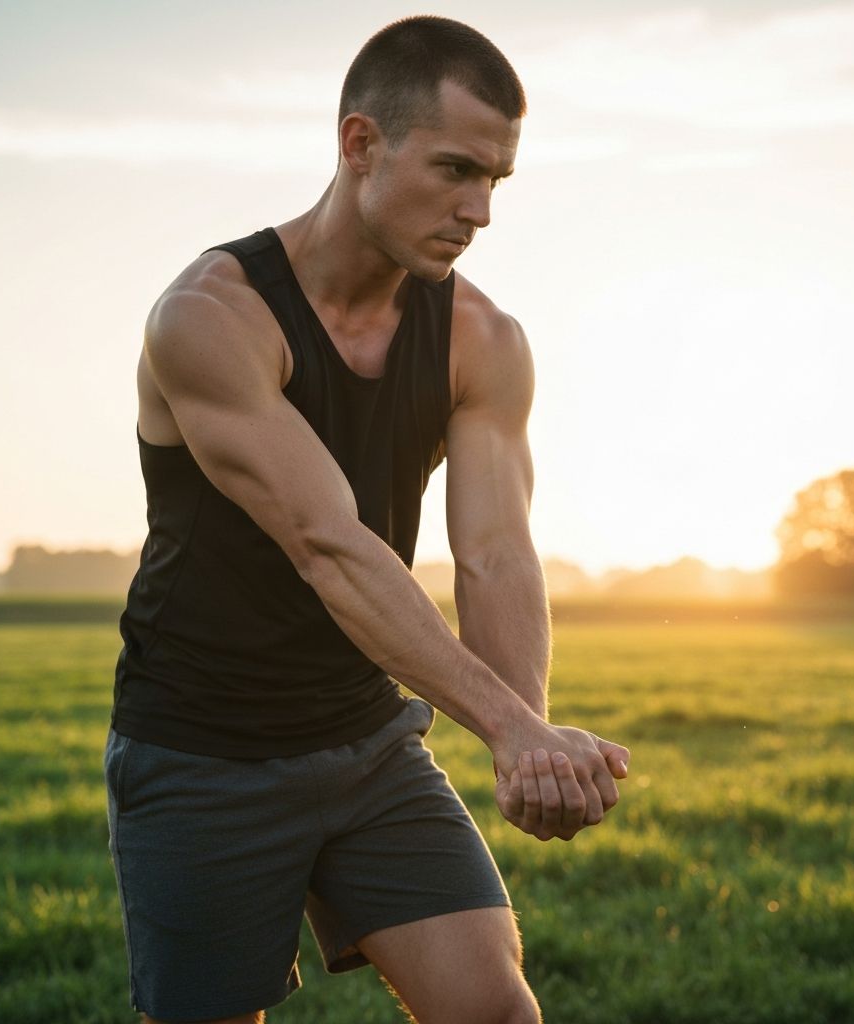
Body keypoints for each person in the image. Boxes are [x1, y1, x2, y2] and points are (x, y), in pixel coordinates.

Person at [105, 15, 630, 1024]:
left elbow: (493, 551)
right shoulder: (211, 317)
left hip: (366, 740)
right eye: (454, 170)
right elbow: (327, 545)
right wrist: (517, 726)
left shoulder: (484, 339)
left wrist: (515, 747)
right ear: (359, 144)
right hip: (200, 748)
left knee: (496, 1012)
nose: (479, 209)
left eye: (496, 181)